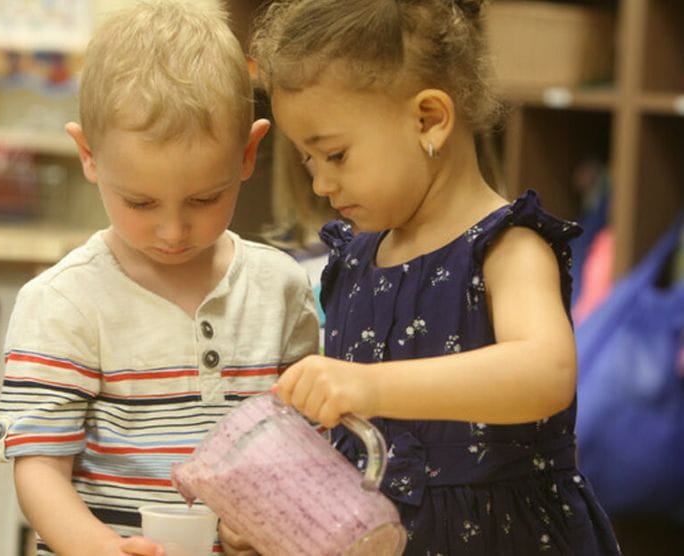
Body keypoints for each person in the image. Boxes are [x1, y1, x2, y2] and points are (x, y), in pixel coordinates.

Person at [248, 0, 623, 554]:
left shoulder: (507, 246)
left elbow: (546, 371)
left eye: (336, 154)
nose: (322, 184)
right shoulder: (352, 259)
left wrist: (371, 386)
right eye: (309, 160)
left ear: (429, 119)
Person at [0, 2, 320, 555]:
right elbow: (40, 471)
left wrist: (270, 515)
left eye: (203, 198)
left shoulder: (281, 289)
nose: (172, 230)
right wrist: (96, 548)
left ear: (248, 153)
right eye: (141, 201)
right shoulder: (63, 302)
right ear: (88, 156)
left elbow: (302, 443)